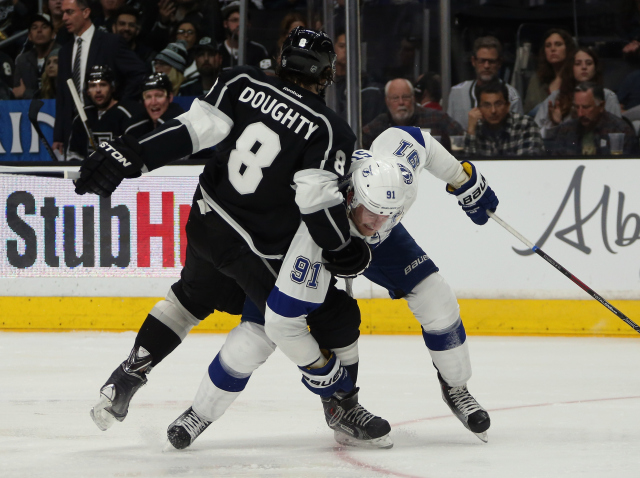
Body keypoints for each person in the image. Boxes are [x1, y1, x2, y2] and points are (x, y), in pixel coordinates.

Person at [77, 28, 388, 447]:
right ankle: (341, 403)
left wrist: (126, 153)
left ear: (282, 61)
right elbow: (315, 200)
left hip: (207, 223)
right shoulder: (329, 128)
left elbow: (187, 131)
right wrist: (342, 247)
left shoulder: (241, 82)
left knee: (189, 298)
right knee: (335, 315)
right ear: (325, 74)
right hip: (256, 249)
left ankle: (130, 372)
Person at [165, 125, 498, 450]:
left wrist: (463, 180)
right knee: (254, 338)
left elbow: (417, 139)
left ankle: (456, 388)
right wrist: (321, 372)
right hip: (321, 240)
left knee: (436, 296)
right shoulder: (312, 232)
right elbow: (284, 323)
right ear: (351, 195)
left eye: (388, 214)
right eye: (373, 212)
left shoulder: (395, 175)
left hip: (371, 243)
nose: (378, 223)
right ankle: (202, 413)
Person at [52, 0, 148, 156]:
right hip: (76, 130)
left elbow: (139, 73)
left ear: (86, 12)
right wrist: (59, 135)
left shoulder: (110, 42)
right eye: (63, 13)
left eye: (69, 12)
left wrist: (118, 104)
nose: (64, 18)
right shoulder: (64, 51)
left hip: (108, 125)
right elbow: (63, 96)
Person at [534, 47, 622, 138]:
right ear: (571, 69)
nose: (584, 67)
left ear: (595, 68)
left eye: (589, 63)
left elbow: (617, 133)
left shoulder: (608, 96)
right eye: (578, 64)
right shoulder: (556, 97)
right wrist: (556, 123)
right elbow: (535, 131)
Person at [362, 78, 464, 150]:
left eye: (405, 97)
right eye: (395, 98)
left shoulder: (437, 118)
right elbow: (360, 146)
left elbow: (460, 137)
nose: (401, 102)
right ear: (387, 101)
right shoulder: (379, 125)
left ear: (413, 98)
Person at [66, 65, 144, 159]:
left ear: (112, 87)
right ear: (87, 91)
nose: (98, 90)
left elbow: (134, 155)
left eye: (103, 84)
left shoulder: (127, 115)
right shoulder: (81, 117)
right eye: (93, 85)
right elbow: (74, 155)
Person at [447, 36, 523, 130]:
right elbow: (450, 132)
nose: (486, 66)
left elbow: (517, 132)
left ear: (499, 63)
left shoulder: (512, 95)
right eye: (482, 61)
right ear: (473, 61)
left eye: (491, 61)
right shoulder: (457, 92)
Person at [548, 82, 638, 156]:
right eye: (576, 107)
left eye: (586, 107)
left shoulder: (619, 130)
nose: (580, 113)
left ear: (601, 106)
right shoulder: (566, 130)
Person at [464, 81, 544, 157]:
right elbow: (469, 167)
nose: (493, 111)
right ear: (478, 108)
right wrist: (471, 131)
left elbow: (528, 164)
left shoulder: (525, 124)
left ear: (507, 106)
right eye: (487, 105)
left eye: (498, 104)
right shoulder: (475, 127)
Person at [333, 30, 385, 127]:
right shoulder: (325, 84)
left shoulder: (365, 84)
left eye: (350, 47)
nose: (346, 51)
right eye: (341, 46)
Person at [523, 29, 576, 114]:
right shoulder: (536, 80)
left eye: (558, 44)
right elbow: (527, 112)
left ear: (568, 49)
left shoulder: (576, 78)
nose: (552, 49)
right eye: (548, 45)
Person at [12, 13, 60, 100]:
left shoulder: (62, 56)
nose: (39, 30)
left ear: (53, 34)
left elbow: (56, 94)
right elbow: (16, 92)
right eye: (34, 28)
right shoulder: (22, 60)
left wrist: (25, 93)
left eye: (44, 27)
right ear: (30, 36)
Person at [124, 73, 184, 138]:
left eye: (159, 96)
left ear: (170, 97)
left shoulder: (181, 124)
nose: (153, 102)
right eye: (148, 97)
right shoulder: (134, 127)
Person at [218, 1, 269, 71]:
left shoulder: (259, 51)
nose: (239, 24)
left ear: (249, 24)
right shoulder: (218, 51)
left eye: (243, 20)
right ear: (225, 24)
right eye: (234, 20)